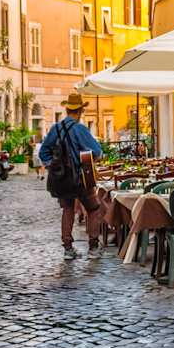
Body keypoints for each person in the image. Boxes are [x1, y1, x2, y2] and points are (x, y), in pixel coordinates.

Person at [39, 93, 103, 260]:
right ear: (80, 111)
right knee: (94, 209)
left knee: (67, 210)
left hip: (62, 178)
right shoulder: (80, 129)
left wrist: (53, 166)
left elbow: (43, 152)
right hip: (81, 178)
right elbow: (97, 151)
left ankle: (68, 249)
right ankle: (93, 247)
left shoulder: (55, 128)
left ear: (67, 110)